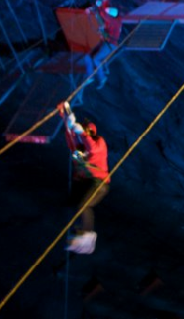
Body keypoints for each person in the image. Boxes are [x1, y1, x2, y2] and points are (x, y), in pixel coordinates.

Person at [57, 100, 110, 255]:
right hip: (86, 182)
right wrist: (65, 116)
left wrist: (80, 131)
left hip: (99, 183)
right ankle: (79, 234)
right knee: (71, 205)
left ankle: (88, 236)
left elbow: (91, 147)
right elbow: (71, 138)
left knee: (84, 206)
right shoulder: (79, 149)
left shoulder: (99, 143)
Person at [73, 0, 121, 106]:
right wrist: (103, 1)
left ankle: (102, 77)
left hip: (110, 44)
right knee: (93, 56)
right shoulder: (117, 20)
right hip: (108, 41)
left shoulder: (112, 21)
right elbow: (104, 14)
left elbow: (103, 15)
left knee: (96, 59)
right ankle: (98, 72)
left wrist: (94, 9)